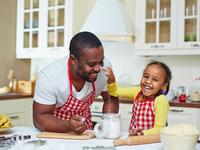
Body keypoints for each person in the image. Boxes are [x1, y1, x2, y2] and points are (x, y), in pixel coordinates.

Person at [33, 31, 119, 134]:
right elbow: (40, 117)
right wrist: (68, 125)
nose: (98, 68)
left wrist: (108, 127)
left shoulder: (104, 68)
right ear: (73, 60)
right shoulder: (50, 77)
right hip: (56, 133)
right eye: (91, 64)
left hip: (86, 132)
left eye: (100, 62)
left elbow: (110, 99)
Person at [104, 61, 172, 136]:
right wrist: (111, 79)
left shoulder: (161, 100)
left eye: (155, 79)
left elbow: (159, 129)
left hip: (150, 142)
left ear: (163, 85)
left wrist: (141, 133)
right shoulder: (137, 92)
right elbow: (115, 91)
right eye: (146, 76)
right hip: (134, 139)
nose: (148, 81)